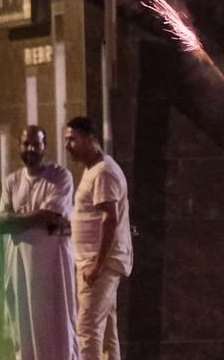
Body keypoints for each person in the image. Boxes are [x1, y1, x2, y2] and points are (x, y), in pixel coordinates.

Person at [0, 125, 79, 360]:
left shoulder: (60, 177)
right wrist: (37, 218)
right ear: (19, 146)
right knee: (24, 326)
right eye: (26, 144)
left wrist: (16, 219)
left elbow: (51, 214)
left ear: (45, 146)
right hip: (19, 268)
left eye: (36, 144)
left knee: (57, 325)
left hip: (53, 268)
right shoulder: (12, 181)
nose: (30, 149)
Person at [64, 117, 132, 360]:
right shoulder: (94, 170)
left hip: (98, 266)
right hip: (96, 264)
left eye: (72, 139)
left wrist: (97, 265)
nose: (67, 146)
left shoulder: (103, 172)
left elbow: (110, 218)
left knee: (88, 329)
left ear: (89, 139)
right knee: (107, 334)